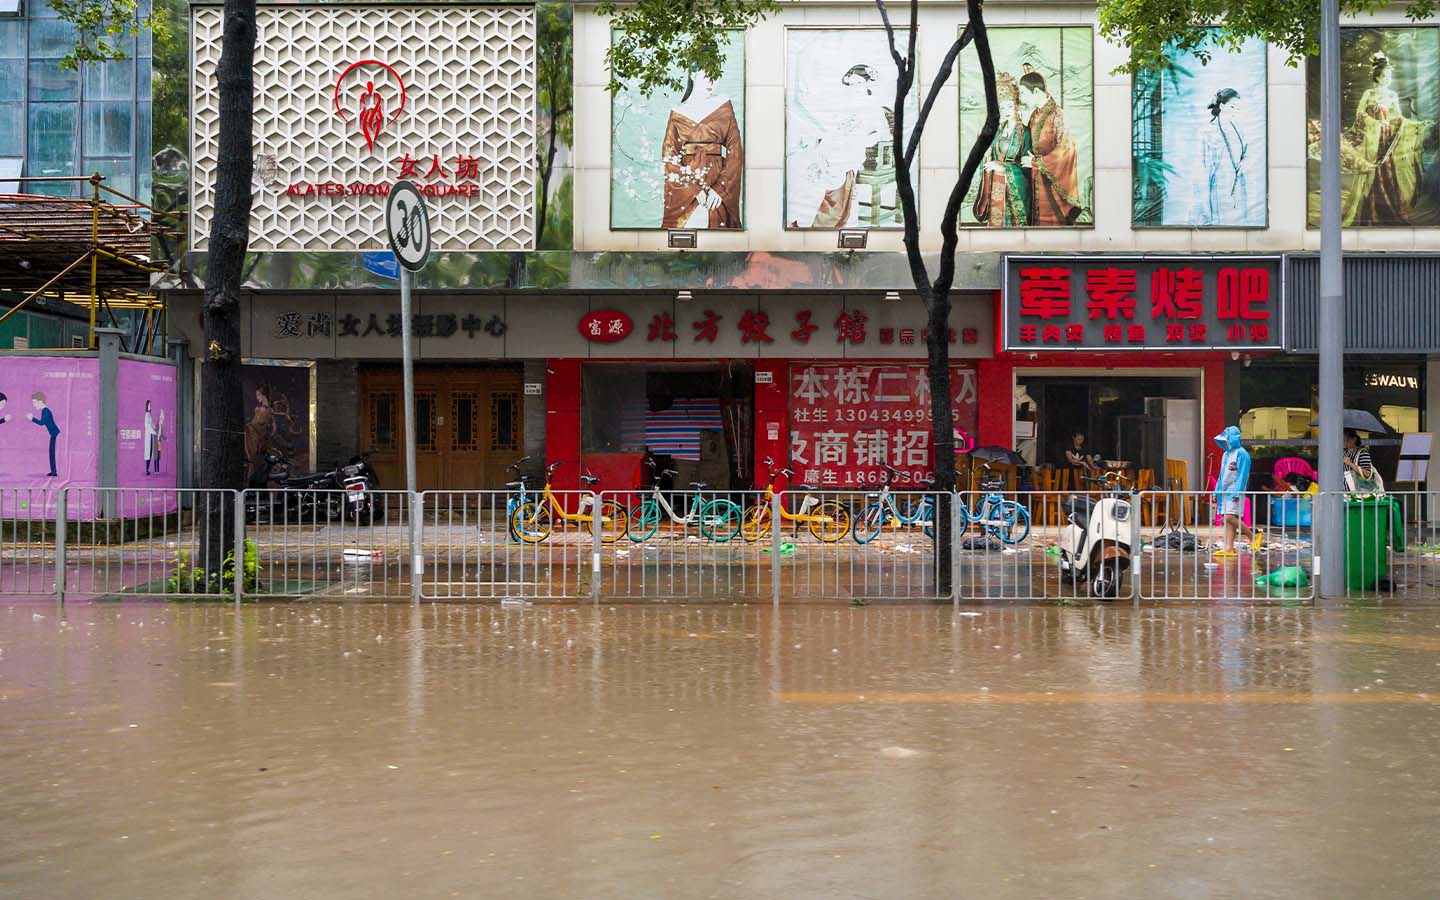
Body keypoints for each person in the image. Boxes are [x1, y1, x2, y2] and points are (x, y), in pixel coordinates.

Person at [1342, 52, 1428, 226]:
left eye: (1389, 76)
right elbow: (1360, 113)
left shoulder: (1392, 95)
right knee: (1371, 172)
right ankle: (1369, 212)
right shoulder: (1369, 93)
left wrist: (1417, 124)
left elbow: (1398, 117)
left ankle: (1388, 211)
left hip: (1386, 137)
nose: (1388, 80)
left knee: (1387, 171)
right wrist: (1375, 123)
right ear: (1377, 77)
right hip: (1372, 138)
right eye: (1384, 76)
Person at [660, 73, 743, 230]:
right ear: (692, 74)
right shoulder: (677, 111)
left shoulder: (723, 105)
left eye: (715, 77)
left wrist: (720, 189)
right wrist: (692, 189)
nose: (712, 82)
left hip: (717, 177)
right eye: (706, 76)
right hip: (688, 182)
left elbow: (735, 151)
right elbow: (669, 156)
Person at [1018, 69, 1085, 226]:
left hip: (1051, 185)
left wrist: (1036, 163)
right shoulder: (1035, 114)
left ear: (1036, 91)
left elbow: (1067, 150)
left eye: (1023, 93)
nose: (1021, 99)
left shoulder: (1058, 114)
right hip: (1035, 179)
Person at [973, 72, 1031, 227]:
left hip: (1015, 190)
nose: (1007, 110)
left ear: (1017, 106)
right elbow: (987, 156)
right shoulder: (998, 132)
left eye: (1010, 106)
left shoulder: (1025, 133)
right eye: (1003, 107)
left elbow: (1028, 169)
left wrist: (1004, 168)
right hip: (996, 187)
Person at [1199, 88, 1251, 226]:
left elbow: (1247, 150)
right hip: (1219, 189)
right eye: (1232, 107)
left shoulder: (1237, 128)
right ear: (1222, 106)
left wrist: (1245, 162)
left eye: (1238, 109)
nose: (1236, 112)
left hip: (1238, 186)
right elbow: (1203, 172)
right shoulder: (1208, 132)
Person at [1212, 425, 1262, 557]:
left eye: (1227, 440)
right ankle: (1229, 548)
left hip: (1234, 491)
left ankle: (1252, 536)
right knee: (1228, 519)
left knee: (1229, 517)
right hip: (1224, 491)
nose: (1225, 443)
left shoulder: (1242, 454)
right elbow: (1222, 475)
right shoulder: (1226, 454)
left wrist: (1237, 492)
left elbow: (1242, 476)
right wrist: (1216, 491)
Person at [28, 392, 60, 477]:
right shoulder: (45, 410)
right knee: (51, 453)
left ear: (40, 401)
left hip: (54, 433)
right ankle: (53, 471)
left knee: (52, 453)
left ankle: (54, 471)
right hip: (53, 433)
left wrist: (32, 418)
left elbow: (41, 423)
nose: (34, 405)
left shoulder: (46, 411)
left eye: (35, 402)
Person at [143, 400, 158, 475]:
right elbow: (147, 426)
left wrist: (155, 428)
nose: (150, 406)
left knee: (149, 452)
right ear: (147, 406)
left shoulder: (149, 415)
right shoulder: (146, 415)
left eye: (150, 405)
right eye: (149, 405)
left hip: (150, 436)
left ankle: (147, 469)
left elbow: (151, 424)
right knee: (148, 453)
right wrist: (154, 432)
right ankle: (146, 470)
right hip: (148, 436)